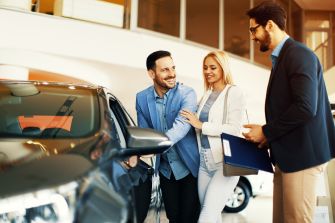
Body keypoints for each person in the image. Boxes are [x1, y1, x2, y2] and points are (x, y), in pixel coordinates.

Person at [244, 1, 335, 223]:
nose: (252, 36)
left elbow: (305, 107)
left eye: (253, 29)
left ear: (270, 25)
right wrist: (268, 137)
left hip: (302, 156)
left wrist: (266, 131)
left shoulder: (298, 54)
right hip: (288, 156)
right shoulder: (283, 57)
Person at [180, 50, 246, 223]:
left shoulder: (234, 92)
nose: (207, 71)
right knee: (212, 214)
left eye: (213, 67)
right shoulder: (207, 94)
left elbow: (233, 129)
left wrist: (202, 125)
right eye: (205, 67)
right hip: (204, 163)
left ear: (223, 68)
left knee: (206, 216)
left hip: (224, 163)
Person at [135, 50, 200, 223]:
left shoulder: (187, 94)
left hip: (189, 168)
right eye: (165, 70)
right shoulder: (141, 98)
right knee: (173, 216)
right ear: (152, 73)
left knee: (189, 218)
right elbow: (144, 132)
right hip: (165, 170)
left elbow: (181, 127)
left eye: (173, 68)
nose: (172, 74)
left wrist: (156, 146)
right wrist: (137, 151)